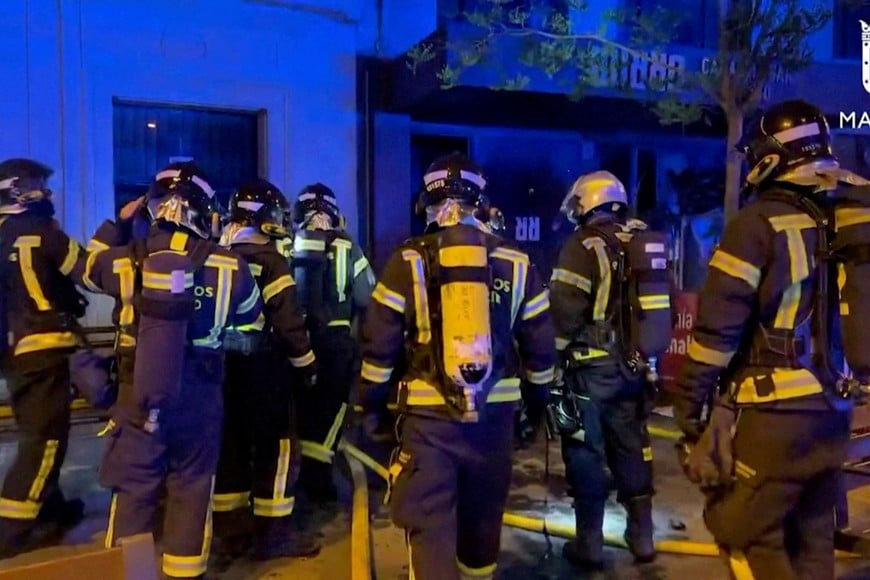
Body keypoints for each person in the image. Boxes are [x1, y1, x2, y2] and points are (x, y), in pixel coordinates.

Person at [674, 100, 854, 579]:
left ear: (771, 158)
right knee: (812, 540)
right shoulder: (847, 221)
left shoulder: (756, 225)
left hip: (774, 416)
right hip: (836, 411)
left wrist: (688, 408)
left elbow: (717, 332)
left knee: (743, 533)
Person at [358, 152, 556, 580]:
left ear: (425, 204)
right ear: (482, 202)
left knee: (430, 524)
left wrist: (370, 409)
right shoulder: (518, 263)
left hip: (429, 423)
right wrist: (535, 411)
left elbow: (378, 349)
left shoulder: (406, 261)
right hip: (495, 420)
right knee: (483, 522)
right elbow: (541, 351)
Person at [73, 162, 263, 579]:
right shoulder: (232, 267)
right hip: (201, 397)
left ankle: (129, 573)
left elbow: (85, 270)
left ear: (151, 207)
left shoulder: (125, 261)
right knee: (192, 490)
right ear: (206, 211)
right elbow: (251, 324)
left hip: (137, 394)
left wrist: (116, 225)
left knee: (135, 493)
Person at [549, 170, 673, 569]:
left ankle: (589, 544)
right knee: (632, 446)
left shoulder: (581, 245)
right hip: (632, 370)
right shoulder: (640, 241)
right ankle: (642, 538)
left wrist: (547, 364)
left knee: (583, 449)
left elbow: (563, 313)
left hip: (588, 372)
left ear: (586, 202)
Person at [213, 179, 320, 559]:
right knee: (277, 448)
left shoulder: (217, 258)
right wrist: (307, 366)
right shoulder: (272, 262)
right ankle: (273, 535)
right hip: (266, 370)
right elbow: (289, 324)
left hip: (222, 370)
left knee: (231, 447)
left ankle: (230, 533)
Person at [0, 158, 86, 557]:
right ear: (18, 189)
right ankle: (10, 531)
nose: (46, 192)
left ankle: (51, 508)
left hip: (13, 354)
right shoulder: (42, 231)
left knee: (37, 429)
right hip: (43, 349)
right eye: (37, 183)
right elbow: (88, 269)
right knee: (45, 439)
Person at [290, 183, 375, 505]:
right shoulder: (347, 246)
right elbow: (368, 295)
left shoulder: (287, 245)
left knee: (299, 411)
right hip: (335, 343)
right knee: (331, 412)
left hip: (294, 343)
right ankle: (319, 483)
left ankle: (295, 481)